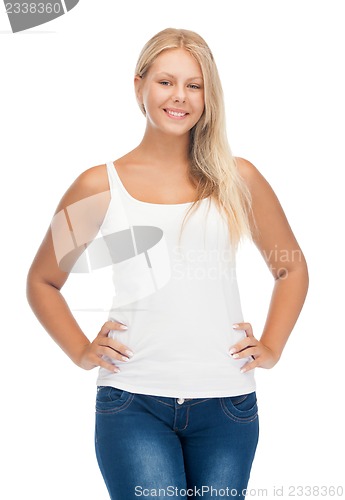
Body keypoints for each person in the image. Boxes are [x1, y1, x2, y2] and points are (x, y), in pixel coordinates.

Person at [26, 28, 309, 499]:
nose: (179, 97)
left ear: (208, 96)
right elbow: (43, 280)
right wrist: (80, 350)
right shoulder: (99, 185)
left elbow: (290, 268)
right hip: (132, 402)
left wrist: (273, 346)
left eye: (194, 85)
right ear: (139, 85)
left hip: (227, 404)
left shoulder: (238, 179)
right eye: (165, 82)